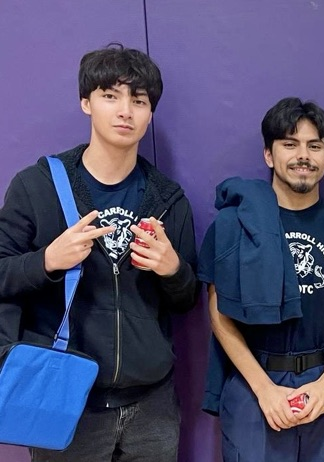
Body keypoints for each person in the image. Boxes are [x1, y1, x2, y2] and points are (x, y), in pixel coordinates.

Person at [0, 44, 199, 461]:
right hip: (67, 399)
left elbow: (186, 300)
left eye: (139, 100)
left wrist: (174, 270)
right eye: (111, 95)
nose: (126, 110)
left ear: (149, 113)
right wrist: (47, 261)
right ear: (86, 102)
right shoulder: (37, 186)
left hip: (152, 405)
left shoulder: (167, 198)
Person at [198, 97, 324, 461]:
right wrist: (264, 391)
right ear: (268, 154)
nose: (302, 155)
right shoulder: (232, 226)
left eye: (314, 145)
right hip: (254, 384)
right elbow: (219, 314)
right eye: (290, 144)